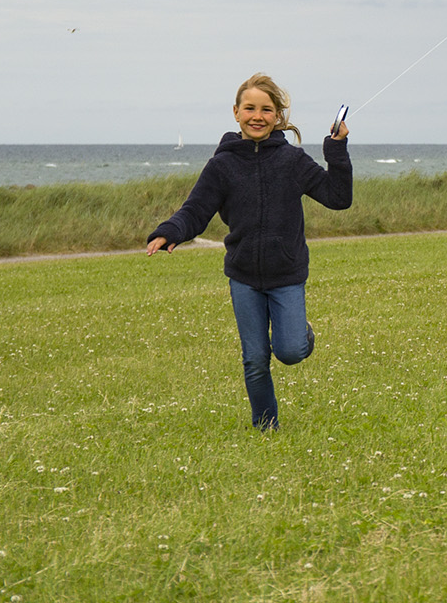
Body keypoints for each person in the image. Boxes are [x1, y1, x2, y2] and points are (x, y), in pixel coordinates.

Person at [146, 73, 352, 431]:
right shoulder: (222, 165)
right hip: (243, 277)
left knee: (289, 352)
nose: (257, 116)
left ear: (277, 117)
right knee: (255, 359)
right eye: (250, 108)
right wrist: (169, 232)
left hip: (286, 274)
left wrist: (336, 151)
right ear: (236, 113)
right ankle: (265, 427)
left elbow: (338, 197)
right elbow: (196, 210)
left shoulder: (292, 160)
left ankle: (302, 333)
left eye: (266, 110)